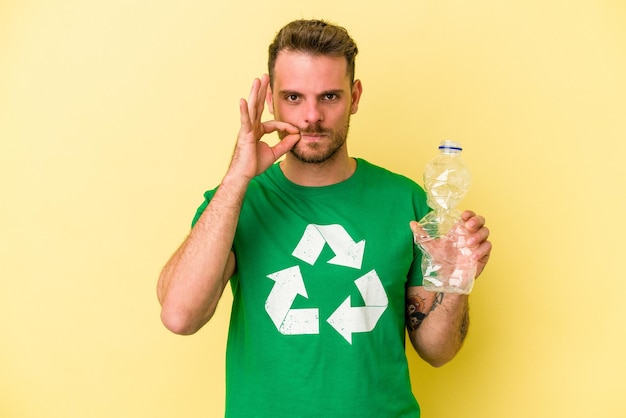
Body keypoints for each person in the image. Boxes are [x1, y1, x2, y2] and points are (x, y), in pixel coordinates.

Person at [157, 19, 492, 418]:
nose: (311, 116)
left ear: (355, 96)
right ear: (271, 100)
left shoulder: (406, 202)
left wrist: (455, 283)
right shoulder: (236, 202)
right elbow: (179, 316)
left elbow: (438, 352)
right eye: (294, 97)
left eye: (329, 96)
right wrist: (237, 177)